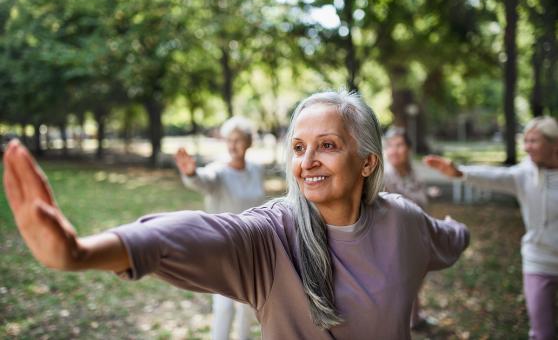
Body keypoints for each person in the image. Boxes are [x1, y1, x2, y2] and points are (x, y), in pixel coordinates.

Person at [3, 90, 469, 340]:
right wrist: (82, 253)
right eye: (299, 148)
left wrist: (462, 232)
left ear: (368, 162)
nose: (307, 161)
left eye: (327, 146)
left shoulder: (404, 222)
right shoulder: (271, 235)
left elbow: (448, 238)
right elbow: (196, 232)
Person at [424, 116, 558, 340]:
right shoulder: (524, 174)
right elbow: (495, 176)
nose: (526, 147)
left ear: (554, 143)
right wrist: (460, 173)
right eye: (525, 141)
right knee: (542, 333)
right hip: (538, 261)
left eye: (533, 141)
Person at [175, 116, 265, 340]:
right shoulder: (218, 172)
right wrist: (190, 173)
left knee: (247, 308)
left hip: (251, 247)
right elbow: (203, 180)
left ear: (249, 143)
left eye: (239, 140)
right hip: (222, 249)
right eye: (229, 140)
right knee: (224, 307)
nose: (233, 145)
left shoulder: (256, 170)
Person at [383, 127, 433, 330]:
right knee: (401, 283)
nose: (394, 150)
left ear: (409, 148)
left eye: (399, 145)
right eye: (390, 145)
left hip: (415, 236)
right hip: (392, 238)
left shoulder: (413, 173)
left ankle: (415, 317)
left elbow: (421, 202)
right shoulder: (384, 176)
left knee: (414, 279)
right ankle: (401, 322)